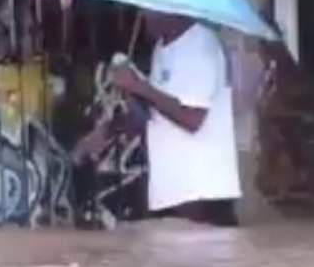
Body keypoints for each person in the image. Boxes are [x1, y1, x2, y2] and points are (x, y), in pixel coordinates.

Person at [74, 11, 241, 227]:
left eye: (149, 9)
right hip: (170, 192)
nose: (143, 15)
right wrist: (108, 131)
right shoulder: (161, 48)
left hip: (200, 193)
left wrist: (139, 86)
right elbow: (158, 116)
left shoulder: (201, 47)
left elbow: (193, 119)